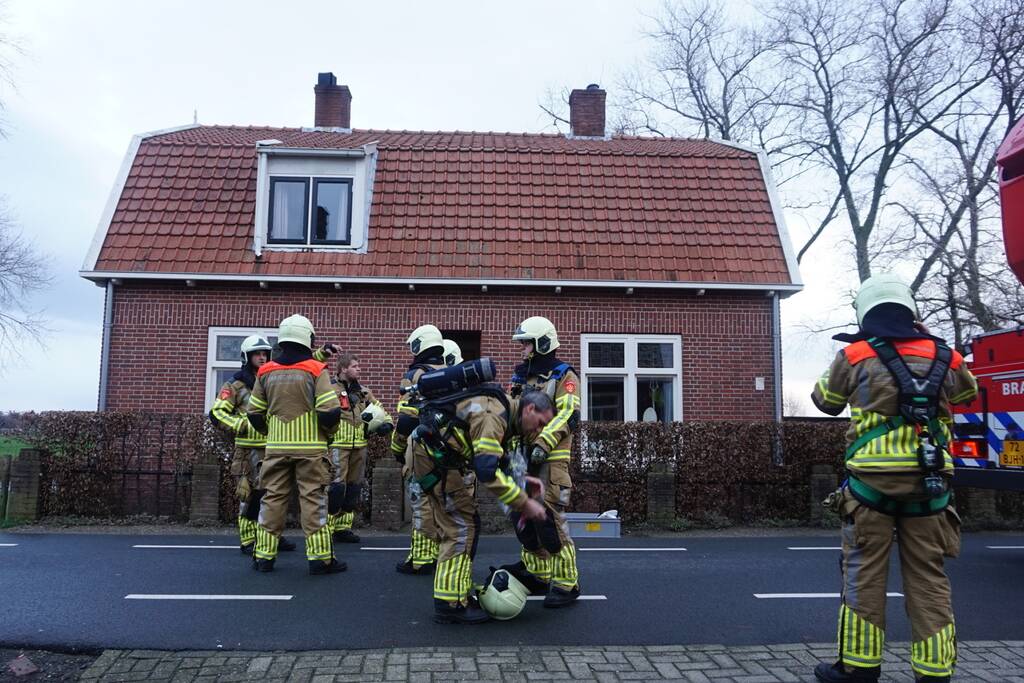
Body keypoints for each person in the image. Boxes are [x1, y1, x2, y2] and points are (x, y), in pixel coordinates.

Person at [811, 274, 978, 683]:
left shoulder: (855, 355)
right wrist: (929, 348)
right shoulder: (948, 357)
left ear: (866, 313)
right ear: (911, 312)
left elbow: (824, 401)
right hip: (930, 489)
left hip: (871, 490)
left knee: (863, 575)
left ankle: (858, 669)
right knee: (929, 578)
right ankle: (935, 672)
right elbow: (966, 396)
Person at [410, 382, 552, 623]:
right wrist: (524, 503)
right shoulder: (494, 416)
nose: (539, 432)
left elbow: (499, 458)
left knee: (465, 523)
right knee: (461, 528)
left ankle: (457, 595)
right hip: (435, 462)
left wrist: (524, 479)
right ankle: (450, 604)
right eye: (540, 424)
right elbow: (486, 470)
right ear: (529, 410)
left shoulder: (506, 414)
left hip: (437, 459)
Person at [246, 314, 345, 575]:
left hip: (276, 449)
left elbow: (254, 413)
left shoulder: (265, 371)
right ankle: (321, 559)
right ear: (306, 337)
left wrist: (273, 431)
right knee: (314, 501)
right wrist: (329, 434)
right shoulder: (315, 370)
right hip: (311, 450)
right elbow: (329, 413)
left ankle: (263, 556)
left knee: (272, 500)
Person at [505, 316, 582, 607]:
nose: (522, 348)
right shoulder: (520, 377)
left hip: (550, 460)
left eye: (526, 343)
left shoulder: (564, 376)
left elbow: (568, 415)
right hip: (521, 459)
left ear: (542, 343)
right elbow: (511, 413)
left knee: (550, 522)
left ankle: (566, 583)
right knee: (523, 518)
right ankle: (538, 573)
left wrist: (543, 442)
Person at [209, 335, 296, 554]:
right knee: (248, 495)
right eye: (257, 354)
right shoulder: (235, 384)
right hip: (247, 450)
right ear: (246, 357)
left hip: (274, 448)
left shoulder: (272, 379)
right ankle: (248, 540)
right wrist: (241, 425)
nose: (262, 357)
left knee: (275, 494)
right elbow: (217, 412)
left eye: (265, 353)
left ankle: (272, 535)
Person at [391, 325, 447, 575]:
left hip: (421, 447)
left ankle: (422, 558)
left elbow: (405, 419)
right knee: (442, 501)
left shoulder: (414, 375)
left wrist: (397, 447)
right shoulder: (450, 372)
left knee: (421, 499)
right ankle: (442, 552)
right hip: (448, 449)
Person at [327, 353, 391, 544]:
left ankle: (343, 528)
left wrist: (387, 423)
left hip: (360, 446)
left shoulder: (363, 392)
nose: (358, 369)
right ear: (343, 368)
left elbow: (381, 410)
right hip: (338, 446)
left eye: (358, 366)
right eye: (354, 366)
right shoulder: (330, 389)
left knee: (354, 488)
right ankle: (327, 528)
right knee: (336, 488)